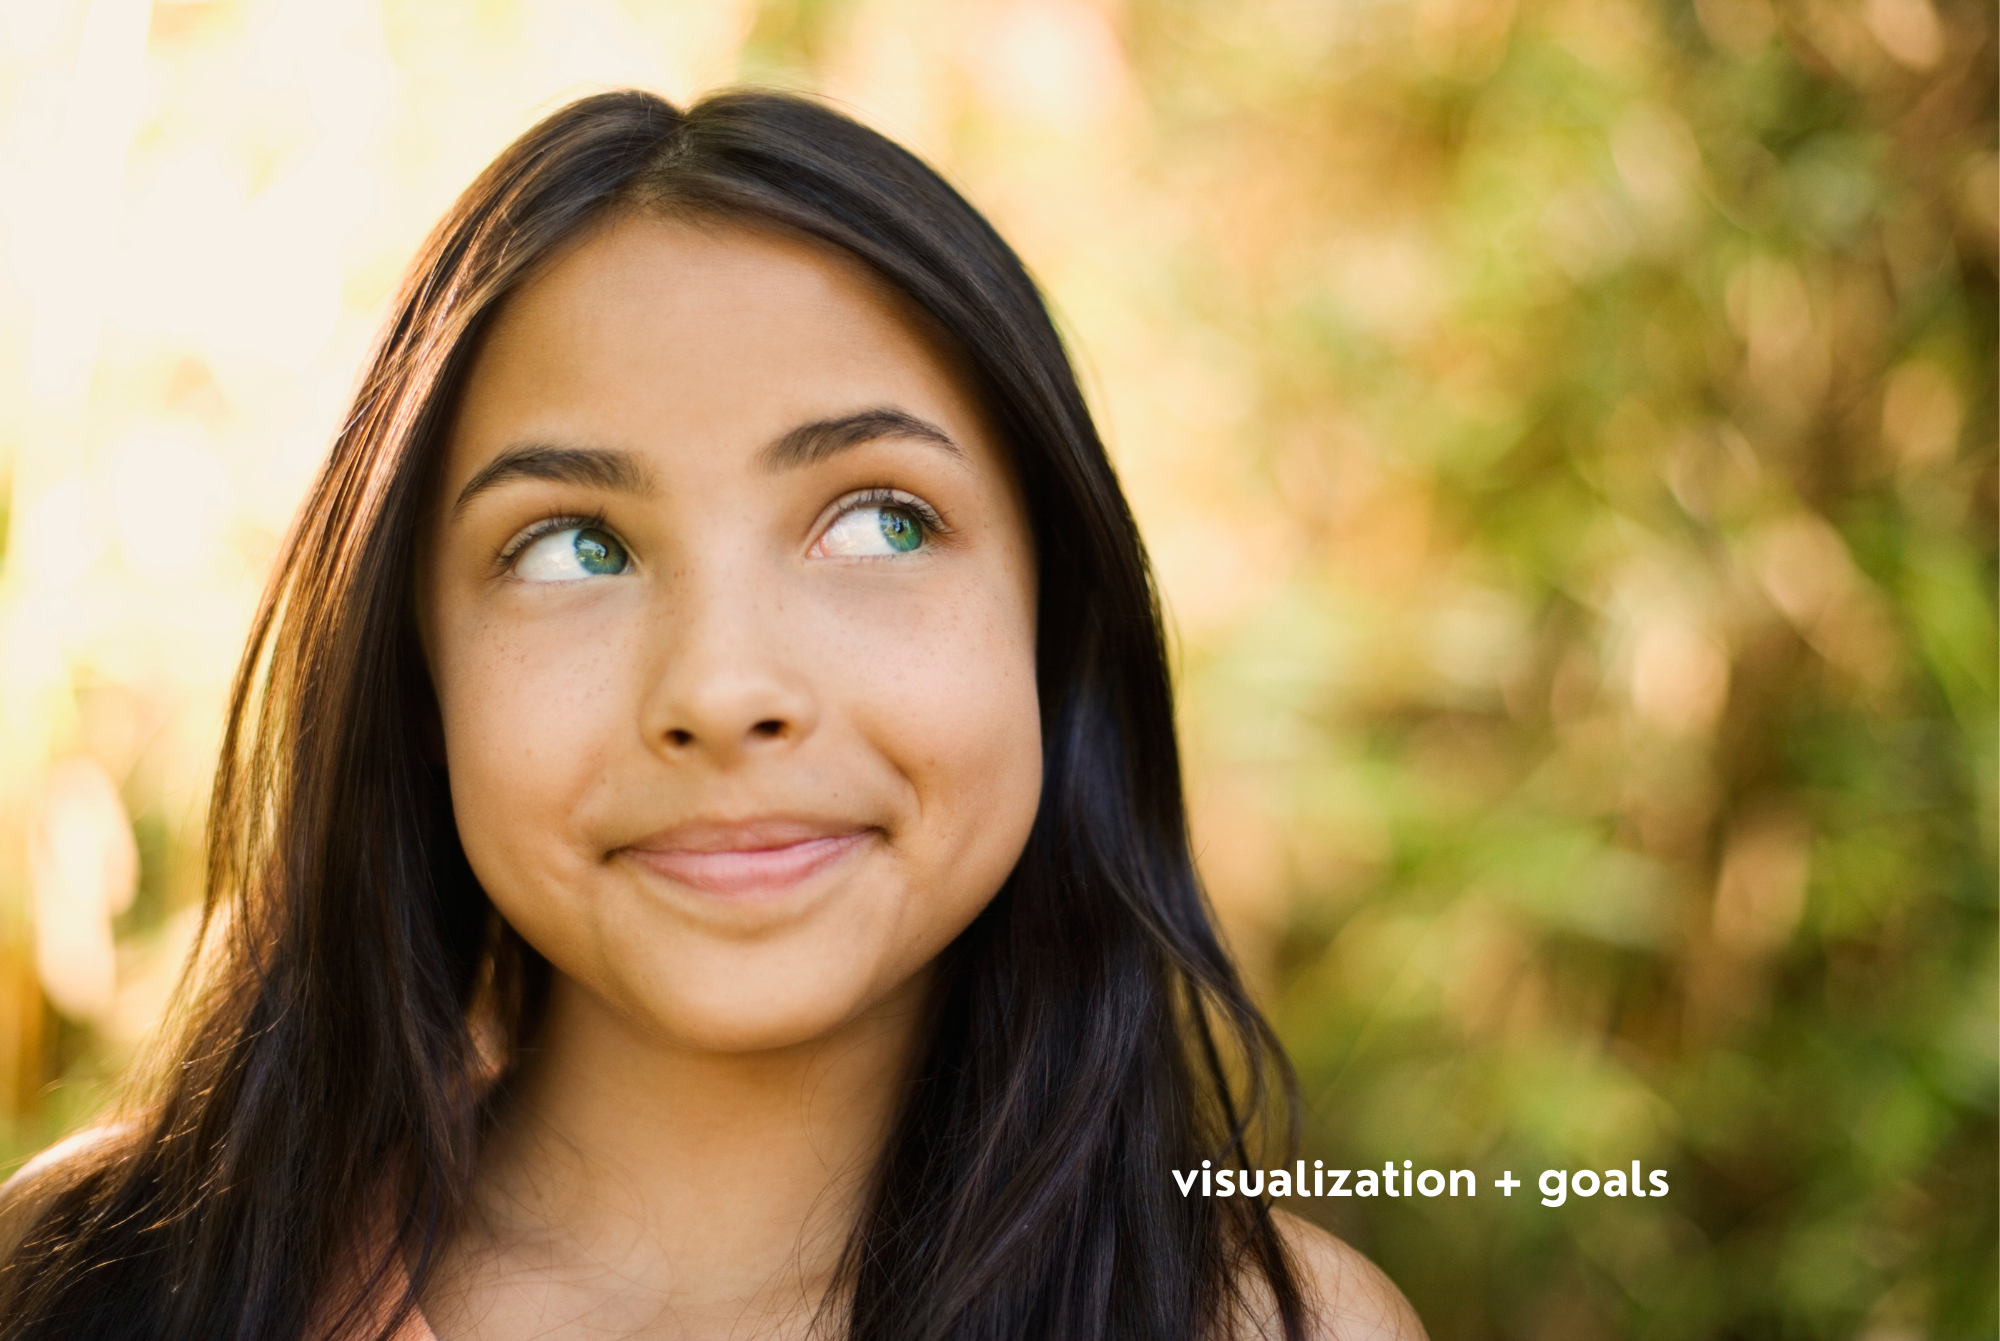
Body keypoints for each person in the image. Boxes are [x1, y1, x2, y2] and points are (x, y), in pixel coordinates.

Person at [0, 90, 1424, 1341]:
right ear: (417, 670)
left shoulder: (1273, 1328)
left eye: (878, 522)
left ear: (1054, 624)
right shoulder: (93, 1278)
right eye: (572, 546)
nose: (721, 691)